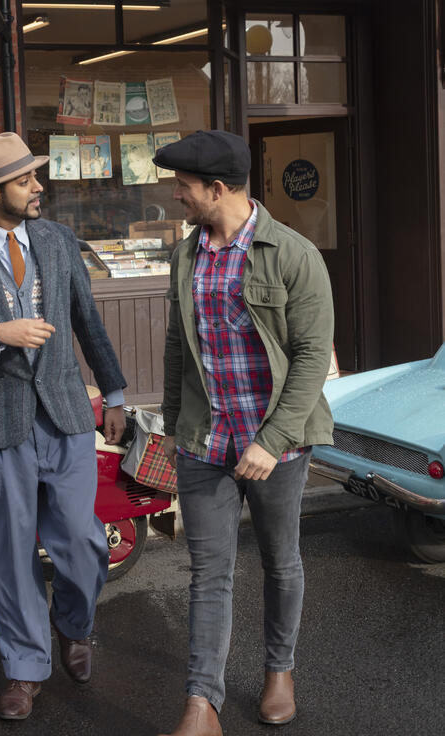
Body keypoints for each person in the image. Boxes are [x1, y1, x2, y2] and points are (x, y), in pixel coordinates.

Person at [0, 131, 126, 722]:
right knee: (12, 553)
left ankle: (74, 626)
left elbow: (88, 320)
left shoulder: (57, 241)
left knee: (84, 542)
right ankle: (24, 668)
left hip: (65, 414)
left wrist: (113, 393)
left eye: (35, 176)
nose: (39, 187)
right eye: (25, 180)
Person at [153, 130, 334, 736]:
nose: (176, 196)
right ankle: (202, 703)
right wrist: (172, 426)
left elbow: (311, 358)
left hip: (276, 445)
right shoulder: (187, 255)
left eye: (183, 186)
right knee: (210, 573)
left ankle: (280, 671)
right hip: (205, 442)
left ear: (217, 188)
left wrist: (271, 440)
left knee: (281, 563)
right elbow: (178, 347)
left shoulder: (293, 254)